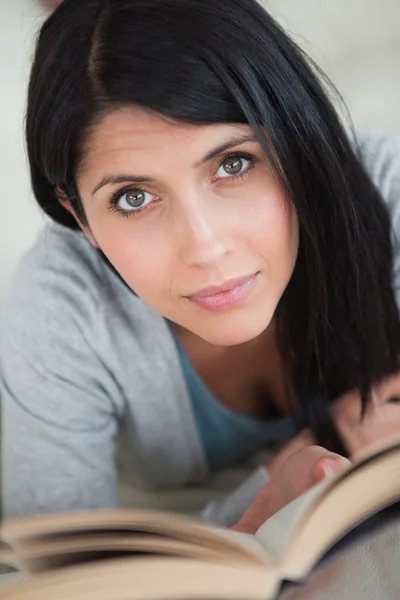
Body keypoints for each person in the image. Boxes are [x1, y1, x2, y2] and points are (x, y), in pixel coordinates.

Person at [1, 0, 400, 528]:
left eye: (233, 164)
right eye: (134, 198)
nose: (205, 248)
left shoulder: (386, 190)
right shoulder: (58, 311)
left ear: (295, 138)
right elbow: (65, 576)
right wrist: (291, 472)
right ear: (79, 216)